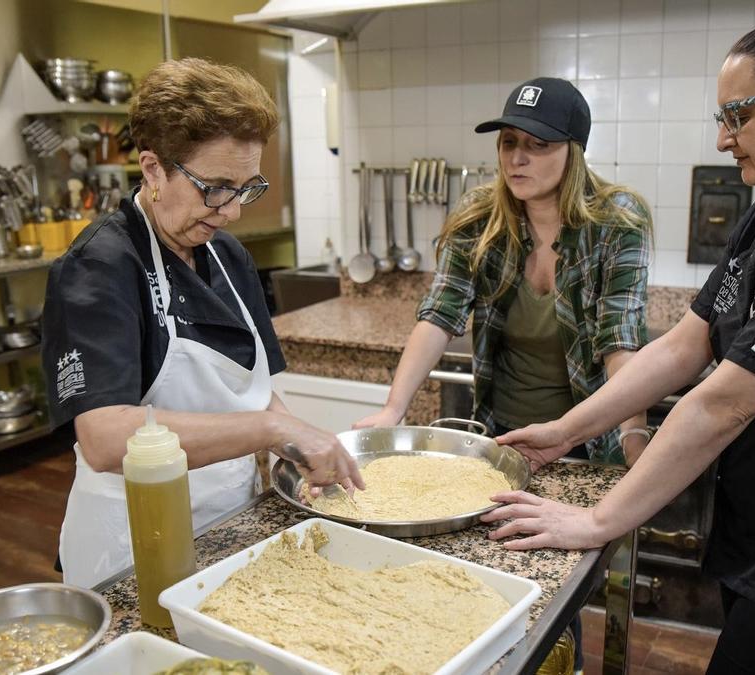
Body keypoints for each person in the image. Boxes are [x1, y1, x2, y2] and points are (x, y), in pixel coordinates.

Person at [485, 8, 755, 674]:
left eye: (739, 116)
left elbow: (724, 402)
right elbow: (685, 347)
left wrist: (599, 520)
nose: (725, 140)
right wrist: (565, 430)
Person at [41, 58, 362, 589]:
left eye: (245, 187)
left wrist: (300, 445)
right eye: (215, 186)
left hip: (226, 524)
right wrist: (271, 429)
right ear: (152, 170)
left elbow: (254, 393)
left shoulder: (228, 255)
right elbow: (103, 437)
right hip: (132, 544)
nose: (232, 210)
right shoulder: (99, 267)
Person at [355, 77, 654, 468]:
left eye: (538, 144)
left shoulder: (617, 222)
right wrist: (393, 409)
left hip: (588, 440)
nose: (517, 158)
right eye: (509, 142)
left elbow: (621, 337)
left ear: (574, 151)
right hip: (501, 437)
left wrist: (633, 434)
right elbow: (440, 315)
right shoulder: (479, 218)